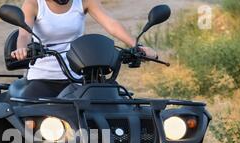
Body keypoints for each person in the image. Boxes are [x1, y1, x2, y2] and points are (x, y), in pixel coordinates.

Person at [10, 0, 157, 97]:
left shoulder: (83, 1)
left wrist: (136, 46)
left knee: (116, 102)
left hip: (79, 76)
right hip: (44, 78)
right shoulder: (33, 4)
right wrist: (22, 49)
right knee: (27, 116)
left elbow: (111, 24)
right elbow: (24, 34)